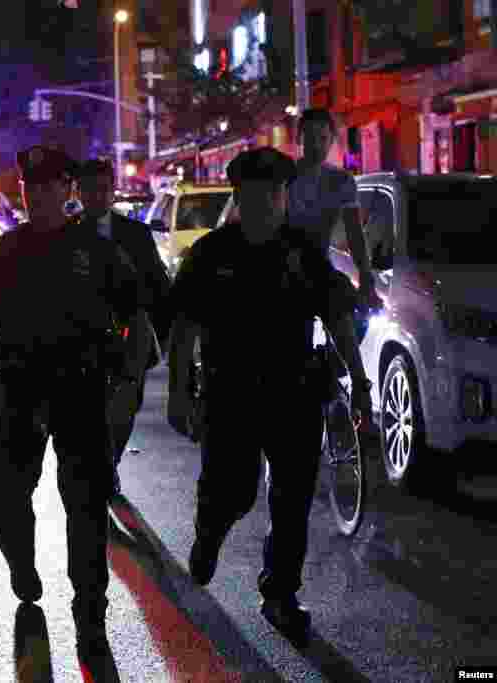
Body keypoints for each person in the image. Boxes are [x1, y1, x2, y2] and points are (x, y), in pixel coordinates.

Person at [166, 147, 373, 647]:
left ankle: (280, 594)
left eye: (275, 193)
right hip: (229, 396)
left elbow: (338, 320)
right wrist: (179, 392)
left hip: (294, 394)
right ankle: (210, 532)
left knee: (292, 501)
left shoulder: (302, 252)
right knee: (231, 490)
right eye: (256, 194)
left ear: (284, 198)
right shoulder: (212, 254)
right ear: (242, 197)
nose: (266, 202)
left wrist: (361, 383)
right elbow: (184, 328)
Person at [0, 145, 151, 663]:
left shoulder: (97, 249)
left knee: (85, 507)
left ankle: (91, 617)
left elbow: (135, 315)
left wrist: (128, 383)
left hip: (83, 390)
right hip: (19, 389)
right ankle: (22, 566)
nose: (37, 195)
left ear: (67, 190)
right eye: (29, 186)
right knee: (6, 496)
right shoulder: (4, 250)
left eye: (48, 186)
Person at [75, 158, 173, 495]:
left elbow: (158, 284)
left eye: (102, 189)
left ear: (111, 191)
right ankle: (94, 467)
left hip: (131, 333)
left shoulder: (135, 233)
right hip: (83, 339)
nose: (96, 196)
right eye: (89, 189)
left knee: (126, 407)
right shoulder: (67, 233)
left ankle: (110, 462)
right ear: (79, 191)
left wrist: (159, 334)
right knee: (89, 411)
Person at [288, 108, 383, 312]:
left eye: (322, 138)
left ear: (331, 141)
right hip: (284, 272)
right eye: (310, 137)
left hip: (321, 269)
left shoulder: (342, 180)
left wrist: (366, 278)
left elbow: (355, 232)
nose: (316, 145)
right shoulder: (284, 177)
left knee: (345, 328)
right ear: (299, 138)